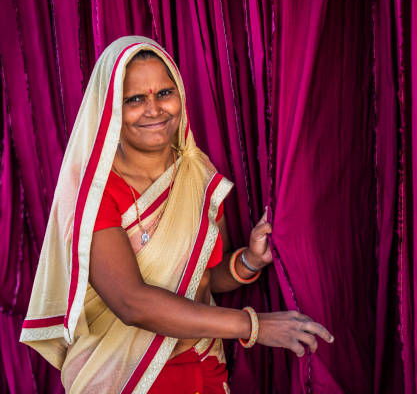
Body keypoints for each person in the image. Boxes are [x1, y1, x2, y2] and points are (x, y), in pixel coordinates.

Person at [19, 36, 333, 394]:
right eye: (134, 99)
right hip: (124, 378)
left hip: (204, 368)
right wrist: (254, 326)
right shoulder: (91, 191)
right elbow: (131, 302)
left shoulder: (197, 174)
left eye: (164, 93)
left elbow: (203, 279)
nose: (154, 109)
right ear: (110, 108)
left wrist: (248, 261)